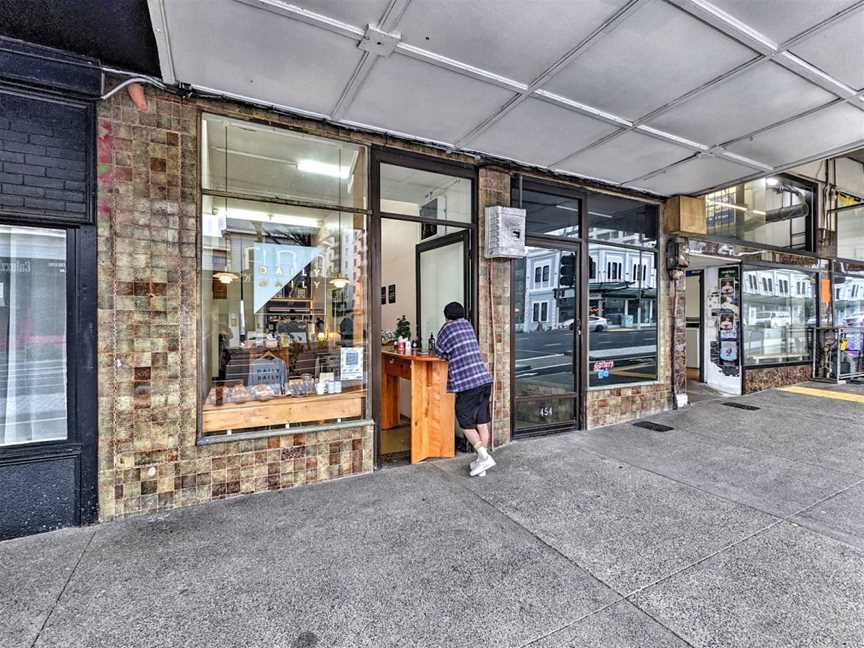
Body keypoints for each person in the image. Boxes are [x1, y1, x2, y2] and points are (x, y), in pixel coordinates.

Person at [435, 302, 495, 476]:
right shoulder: (468, 325)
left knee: (465, 421)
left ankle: (484, 458)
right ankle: (481, 461)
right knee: (482, 422)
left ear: (446, 316)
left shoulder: (447, 328)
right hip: (484, 380)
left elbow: (439, 352)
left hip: (468, 384)